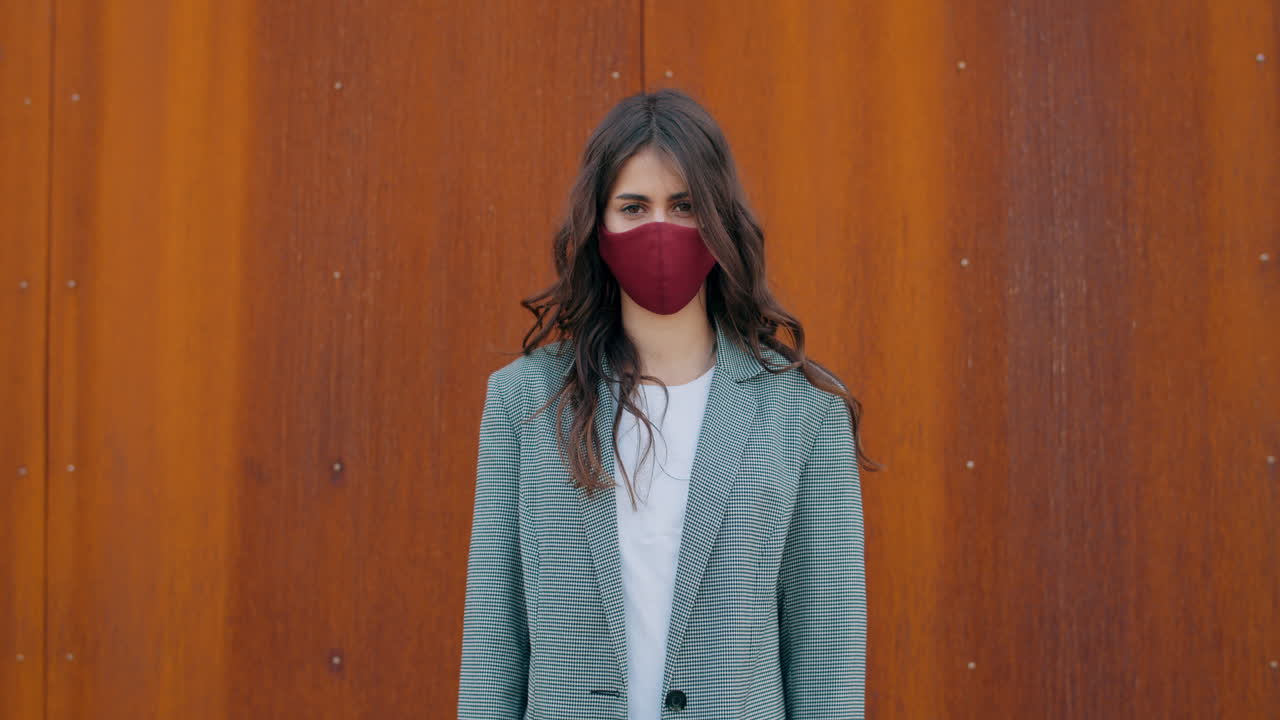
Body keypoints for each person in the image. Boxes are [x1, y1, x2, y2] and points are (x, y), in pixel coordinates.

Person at [459, 88, 876, 720]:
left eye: (684, 207)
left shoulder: (804, 413)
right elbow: (494, 639)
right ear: (598, 227)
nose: (660, 230)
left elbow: (826, 658)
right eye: (634, 207)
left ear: (719, 222)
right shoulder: (523, 403)